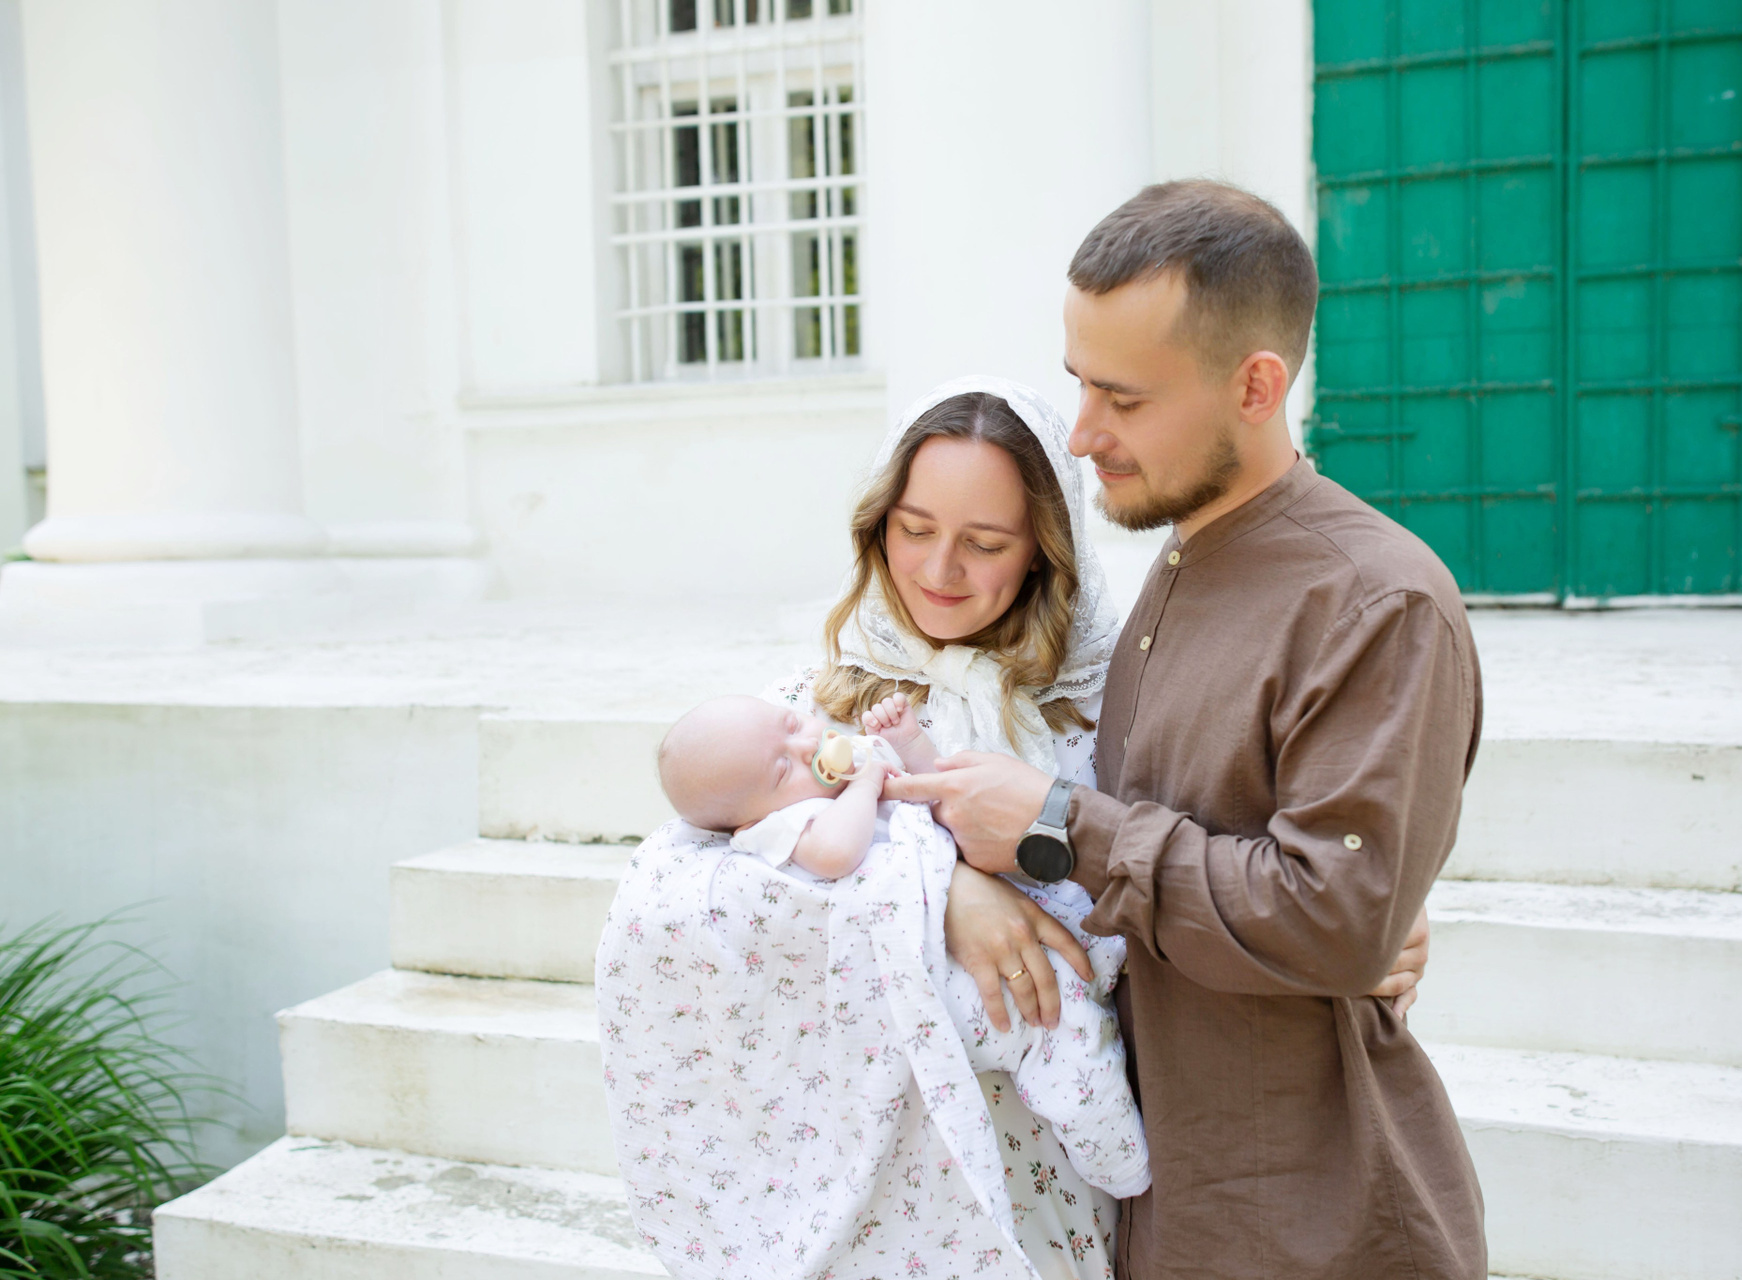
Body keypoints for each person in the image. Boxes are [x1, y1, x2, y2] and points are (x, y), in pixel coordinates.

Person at [595, 378, 1432, 1280]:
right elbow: (685, 893)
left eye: (985, 543)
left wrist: (1374, 914)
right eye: (914, 529)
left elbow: (1234, 853)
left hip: (1055, 1163)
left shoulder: (1121, 708)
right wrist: (943, 890)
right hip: (890, 1177)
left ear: (1043, 551)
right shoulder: (810, 711)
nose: (939, 569)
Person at [887, 181, 1486, 1279]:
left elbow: (1334, 915)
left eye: (1122, 398)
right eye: (1080, 383)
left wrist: (1061, 826)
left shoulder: (1376, 602)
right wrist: (953, 889)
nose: (1082, 434)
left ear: (1256, 385)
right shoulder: (1170, 568)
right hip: (1166, 1213)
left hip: (1318, 1228)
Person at [646, 690, 1150, 1203]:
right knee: (1061, 1038)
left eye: (793, 725)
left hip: (989, 914)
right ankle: (1118, 1160)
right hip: (944, 976)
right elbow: (838, 854)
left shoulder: (849, 768)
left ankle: (1101, 966)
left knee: (1067, 961)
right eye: (782, 769)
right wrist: (865, 785)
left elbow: (934, 795)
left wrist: (907, 744)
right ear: (750, 820)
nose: (806, 747)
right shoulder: (786, 825)